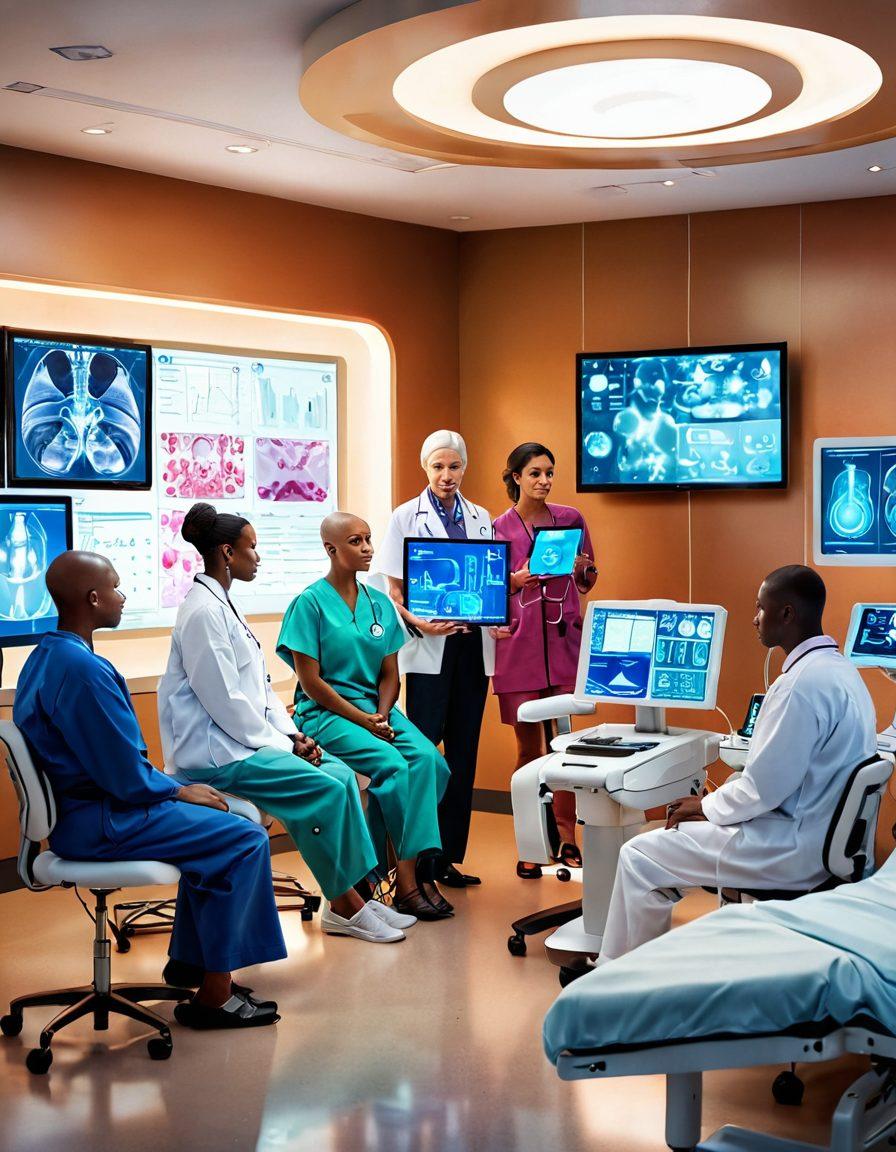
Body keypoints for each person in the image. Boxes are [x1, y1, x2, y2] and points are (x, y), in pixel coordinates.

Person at [13, 551, 283, 1029]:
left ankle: (189, 964)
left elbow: (112, 765)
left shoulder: (44, 657)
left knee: (220, 831)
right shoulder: (83, 672)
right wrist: (180, 791)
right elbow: (125, 776)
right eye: (116, 587)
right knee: (243, 838)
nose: (123, 596)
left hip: (84, 814)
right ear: (93, 599)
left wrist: (172, 788)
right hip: (104, 821)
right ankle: (215, 997)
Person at [158, 503, 413, 945]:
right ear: (226, 552)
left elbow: (258, 691)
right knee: (325, 789)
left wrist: (293, 734)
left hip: (249, 741)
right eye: (251, 548)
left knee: (340, 775)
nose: (257, 557)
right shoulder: (202, 612)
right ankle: (345, 906)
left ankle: (354, 894)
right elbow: (227, 704)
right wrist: (284, 744)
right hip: (217, 755)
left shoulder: (224, 605)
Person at [597, 564, 878, 964]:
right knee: (699, 823)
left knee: (639, 856)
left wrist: (704, 805)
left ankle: (617, 984)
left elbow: (761, 789)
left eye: (761, 608)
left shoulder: (797, 687)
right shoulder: (841, 672)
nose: (754, 618)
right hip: (825, 840)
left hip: (790, 851)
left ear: (787, 614)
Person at [277, 512, 453, 921]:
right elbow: (312, 682)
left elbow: (391, 674)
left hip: (377, 709)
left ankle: (381, 872)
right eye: (356, 541)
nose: (368, 548)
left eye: (369, 539)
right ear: (331, 549)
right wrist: (361, 717)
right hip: (326, 712)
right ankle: (407, 884)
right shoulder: (309, 603)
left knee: (430, 761)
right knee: (393, 766)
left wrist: (381, 712)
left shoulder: (379, 603)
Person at [370, 430, 494, 889]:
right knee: (424, 754)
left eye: (454, 466)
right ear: (426, 468)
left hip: (471, 647)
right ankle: (414, 861)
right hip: (428, 649)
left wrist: (495, 614)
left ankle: (445, 859)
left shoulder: (481, 517)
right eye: (438, 467)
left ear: (465, 468)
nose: (447, 475)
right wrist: (420, 624)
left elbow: (487, 580)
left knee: (463, 754)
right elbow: (393, 591)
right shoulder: (405, 516)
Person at [491, 443, 597, 878]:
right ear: (516, 477)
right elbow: (485, 592)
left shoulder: (571, 519)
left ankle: (568, 837)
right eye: (535, 473)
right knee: (529, 750)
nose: (544, 481)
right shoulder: (497, 528)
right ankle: (530, 844)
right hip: (518, 650)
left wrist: (581, 567)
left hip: (563, 643)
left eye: (549, 473)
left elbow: (589, 580)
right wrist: (513, 581)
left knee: (567, 749)